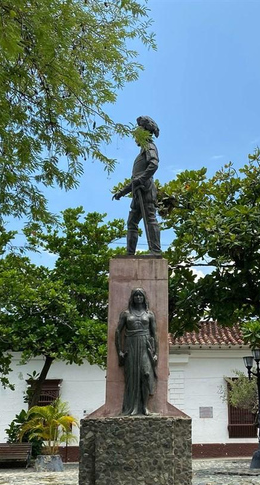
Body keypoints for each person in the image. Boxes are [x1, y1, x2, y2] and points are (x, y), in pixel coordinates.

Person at [112, 116, 161, 255]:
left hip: (146, 190)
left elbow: (154, 164)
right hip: (137, 192)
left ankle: (155, 251)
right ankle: (130, 254)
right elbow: (135, 179)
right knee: (132, 222)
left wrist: (141, 180)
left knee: (150, 219)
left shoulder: (149, 147)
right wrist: (121, 192)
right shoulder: (141, 153)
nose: (135, 137)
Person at [114, 288, 158, 415]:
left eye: (141, 295)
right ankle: (132, 407)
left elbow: (155, 334)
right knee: (132, 377)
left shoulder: (149, 314)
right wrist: (119, 352)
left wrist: (155, 354)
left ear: (144, 298)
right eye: (136, 295)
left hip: (145, 345)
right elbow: (117, 332)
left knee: (146, 374)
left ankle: (144, 407)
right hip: (131, 345)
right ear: (132, 298)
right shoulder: (126, 314)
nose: (138, 298)